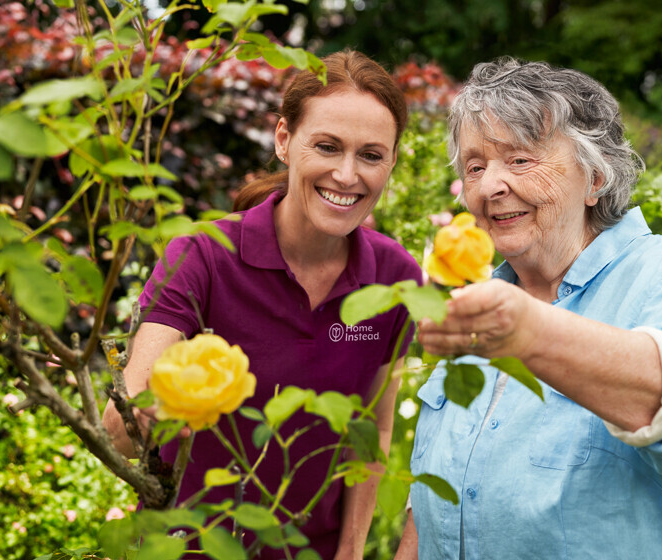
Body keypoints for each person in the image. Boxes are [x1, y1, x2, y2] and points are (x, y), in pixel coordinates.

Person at [395, 58, 662, 560]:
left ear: (596, 177)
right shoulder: (479, 302)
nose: (487, 186)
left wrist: (526, 332)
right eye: (475, 167)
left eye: (520, 160)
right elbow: (436, 497)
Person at [102, 50, 422, 560]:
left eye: (370, 155)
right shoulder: (203, 257)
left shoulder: (395, 277)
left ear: (391, 162)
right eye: (327, 146)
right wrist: (174, 403)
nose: (346, 174)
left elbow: (374, 426)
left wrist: (351, 550)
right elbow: (120, 431)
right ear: (283, 140)